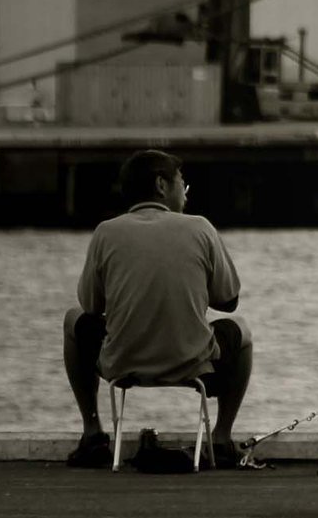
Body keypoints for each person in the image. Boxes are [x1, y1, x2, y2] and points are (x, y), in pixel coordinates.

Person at [62, 149, 251, 468]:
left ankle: (93, 432)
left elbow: (90, 306)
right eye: (182, 184)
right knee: (241, 330)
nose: (186, 192)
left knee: (72, 320)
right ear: (162, 185)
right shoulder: (200, 228)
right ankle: (220, 437)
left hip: (121, 364)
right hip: (193, 365)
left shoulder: (106, 232)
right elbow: (229, 299)